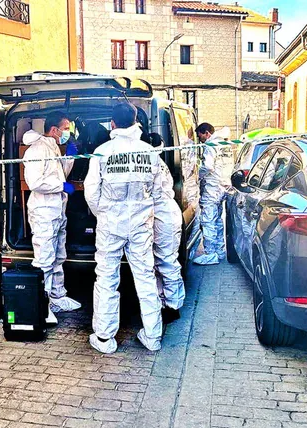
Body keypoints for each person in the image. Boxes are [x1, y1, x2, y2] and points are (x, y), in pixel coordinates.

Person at [84, 103, 163, 354]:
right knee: (145, 277)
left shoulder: (102, 152)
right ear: (136, 120)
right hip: (141, 224)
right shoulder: (149, 152)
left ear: (113, 124)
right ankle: (152, 335)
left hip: (110, 224)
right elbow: (159, 191)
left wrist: (104, 214)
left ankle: (105, 338)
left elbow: (91, 192)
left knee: (106, 278)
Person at [22, 112, 83, 321]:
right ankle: (41, 304)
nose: (68, 132)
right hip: (44, 212)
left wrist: (70, 158)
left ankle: (57, 296)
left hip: (57, 210)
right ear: (54, 130)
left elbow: (59, 174)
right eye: (66, 128)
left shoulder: (53, 147)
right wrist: (62, 186)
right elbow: (35, 182)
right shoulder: (37, 150)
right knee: (44, 260)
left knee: (58, 256)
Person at [153, 161, 185, 323]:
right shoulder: (157, 159)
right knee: (158, 264)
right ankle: (163, 302)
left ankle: (173, 306)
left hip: (163, 215)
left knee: (166, 262)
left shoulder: (150, 161)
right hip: (162, 212)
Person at [193, 123, 227, 265]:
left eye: (200, 136)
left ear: (206, 133)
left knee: (208, 221)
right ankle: (220, 251)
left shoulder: (210, 145)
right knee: (217, 221)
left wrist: (196, 175)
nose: (200, 140)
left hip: (212, 188)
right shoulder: (223, 144)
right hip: (221, 186)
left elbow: (207, 166)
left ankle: (210, 253)